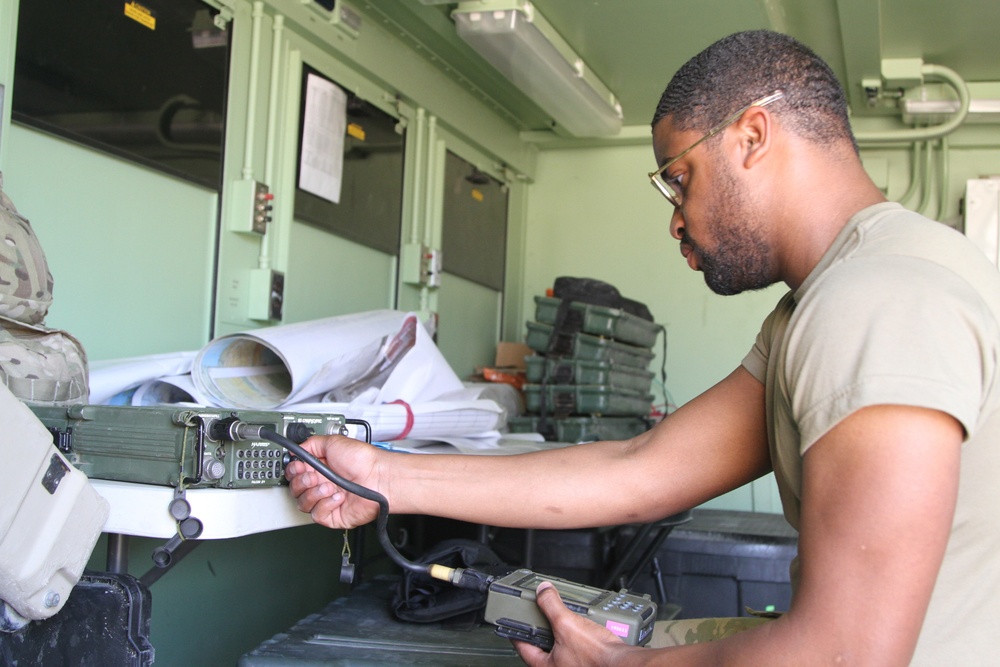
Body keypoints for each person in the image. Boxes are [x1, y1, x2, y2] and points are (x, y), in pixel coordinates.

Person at [287, 29, 1000, 666]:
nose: (676, 220)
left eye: (679, 179)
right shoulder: (841, 297)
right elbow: (643, 468)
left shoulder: (875, 301)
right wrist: (382, 476)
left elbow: (847, 653)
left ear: (752, 137)